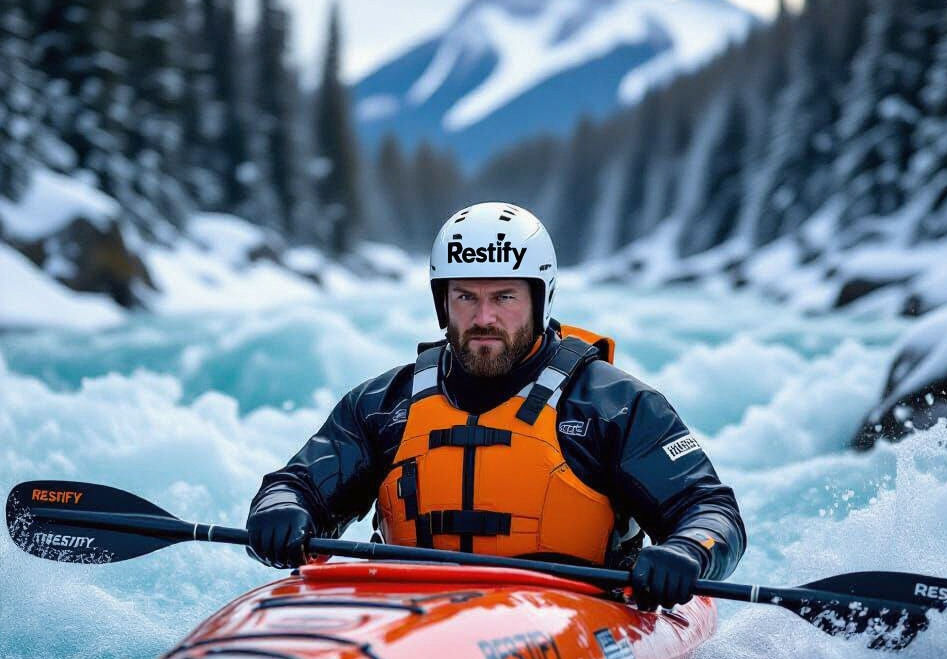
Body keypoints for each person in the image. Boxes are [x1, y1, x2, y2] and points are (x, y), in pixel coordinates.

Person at [247, 203, 745, 610]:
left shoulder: (613, 406)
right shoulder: (383, 405)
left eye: (504, 297)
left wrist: (686, 551)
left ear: (539, 299)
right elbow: (299, 483)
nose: (484, 318)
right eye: (466, 297)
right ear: (444, 304)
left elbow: (709, 509)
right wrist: (282, 508)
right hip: (406, 610)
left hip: (569, 612)